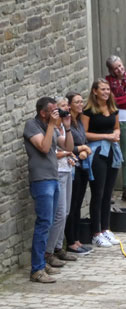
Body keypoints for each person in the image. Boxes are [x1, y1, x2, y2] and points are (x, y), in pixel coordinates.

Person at [23, 96, 73, 283]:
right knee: (43, 223)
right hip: (41, 180)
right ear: (42, 112)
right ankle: (36, 269)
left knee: (50, 222)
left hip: (53, 177)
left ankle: (42, 264)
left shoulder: (51, 126)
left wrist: (67, 127)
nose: (55, 113)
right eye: (52, 110)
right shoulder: (32, 125)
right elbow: (44, 148)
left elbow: (68, 146)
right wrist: (53, 124)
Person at [82, 79, 123, 248]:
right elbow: (85, 134)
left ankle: (106, 228)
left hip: (111, 151)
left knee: (108, 192)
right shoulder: (88, 111)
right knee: (97, 192)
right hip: (97, 152)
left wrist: (115, 134)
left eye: (108, 89)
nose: (106, 92)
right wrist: (106, 137)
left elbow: (117, 127)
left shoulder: (113, 108)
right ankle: (95, 232)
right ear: (95, 91)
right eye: (103, 89)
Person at [44, 97, 79, 265]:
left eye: (66, 106)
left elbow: (69, 147)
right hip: (56, 173)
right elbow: (52, 152)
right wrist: (67, 154)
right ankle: (49, 252)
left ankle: (58, 248)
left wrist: (67, 126)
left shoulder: (61, 129)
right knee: (58, 214)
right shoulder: (48, 128)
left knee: (64, 213)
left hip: (67, 170)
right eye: (62, 106)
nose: (66, 109)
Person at [105, 55, 126, 203]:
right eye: (116, 68)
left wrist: (116, 101)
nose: (119, 69)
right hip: (111, 122)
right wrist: (124, 100)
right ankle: (109, 190)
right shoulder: (107, 83)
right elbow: (107, 101)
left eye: (120, 65)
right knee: (111, 157)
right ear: (111, 70)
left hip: (125, 122)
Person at [64, 91, 93, 256]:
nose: (81, 104)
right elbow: (66, 146)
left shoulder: (79, 121)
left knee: (78, 203)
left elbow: (83, 139)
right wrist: (79, 149)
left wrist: (85, 149)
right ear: (69, 105)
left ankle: (76, 240)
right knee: (72, 204)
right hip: (72, 166)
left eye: (82, 101)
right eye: (77, 102)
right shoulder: (66, 123)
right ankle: (71, 241)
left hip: (82, 166)